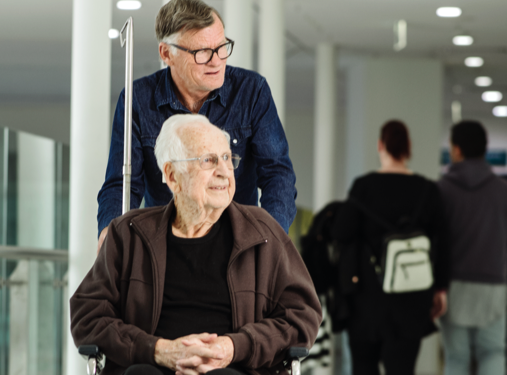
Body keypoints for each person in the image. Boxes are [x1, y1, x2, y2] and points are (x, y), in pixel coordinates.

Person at [71, 114, 321, 375]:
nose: (224, 171)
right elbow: (88, 315)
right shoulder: (129, 234)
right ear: (172, 175)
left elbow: (302, 315)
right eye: (208, 160)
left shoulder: (263, 231)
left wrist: (233, 347)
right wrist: (157, 350)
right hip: (149, 367)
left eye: (227, 158)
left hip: (234, 369)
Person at [96, 0, 297, 250]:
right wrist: (110, 232)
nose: (216, 61)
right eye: (202, 52)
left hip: (237, 244)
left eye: (222, 47)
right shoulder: (137, 99)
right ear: (167, 54)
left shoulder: (251, 91)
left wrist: (271, 238)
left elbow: (277, 174)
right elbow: (122, 184)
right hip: (167, 246)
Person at [330, 120, 450, 375]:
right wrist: (441, 289)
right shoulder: (427, 190)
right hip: (412, 298)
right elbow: (443, 242)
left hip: (366, 299)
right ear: (408, 148)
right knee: (403, 369)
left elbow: (341, 232)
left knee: (364, 367)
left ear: (380, 146)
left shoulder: (364, 187)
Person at [437, 121, 507, 375]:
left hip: (453, 288)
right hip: (493, 287)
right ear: (484, 149)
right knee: (492, 353)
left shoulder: (441, 190)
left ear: (456, 149)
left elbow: (435, 242)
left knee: (456, 358)